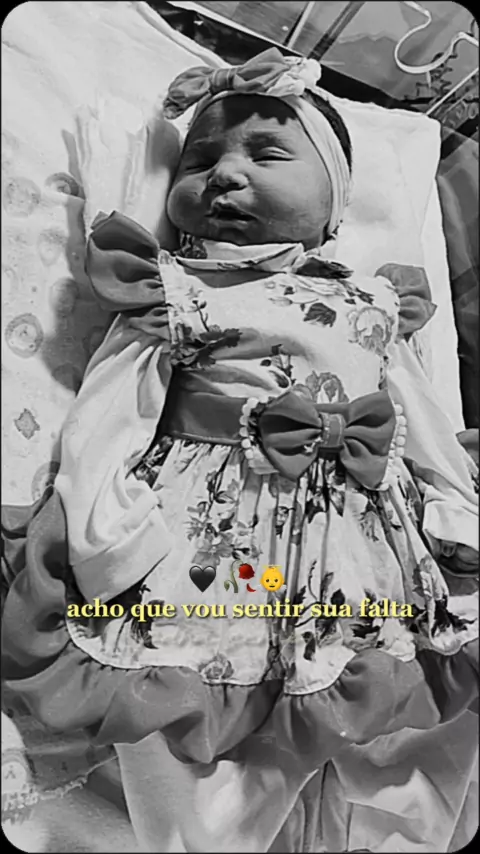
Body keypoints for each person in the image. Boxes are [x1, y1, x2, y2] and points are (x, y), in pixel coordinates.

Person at [2, 48, 478, 852]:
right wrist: (108, 534)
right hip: (212, 529)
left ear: (334, 203)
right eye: (199, 160)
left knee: (388, 694)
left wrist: (453, 504)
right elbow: (108, 415)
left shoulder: (375, 302)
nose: (223, 173)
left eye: (266, 153)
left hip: (365, 540)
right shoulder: (172, 290)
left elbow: (417, 415)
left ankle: (382, 819)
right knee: (191, 709)